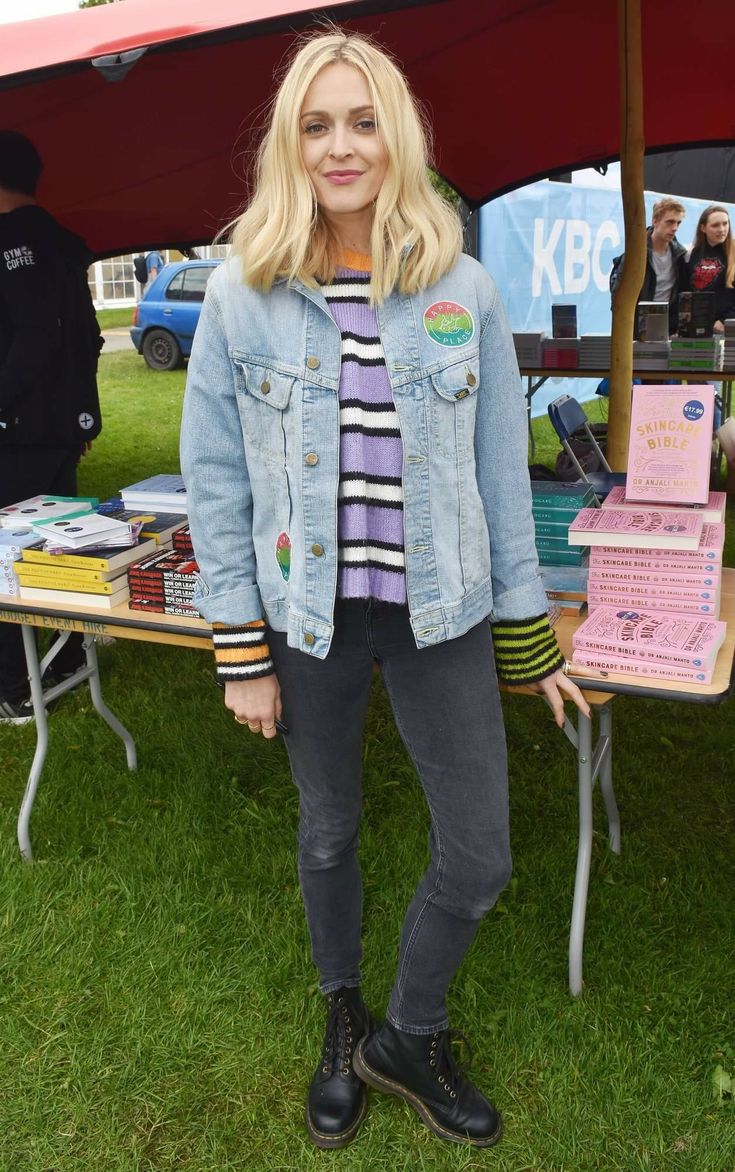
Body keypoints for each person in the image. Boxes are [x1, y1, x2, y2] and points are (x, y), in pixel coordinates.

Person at [180, 30, 589, 1151]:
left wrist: (530, 634)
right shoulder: (242, 293)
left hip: (440, 609)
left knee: (482, 851)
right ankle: (342, 1010)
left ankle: (408, 1031)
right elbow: (215, 483)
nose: (341, 145)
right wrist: (240, 650)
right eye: (317, 123)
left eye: (363, 121)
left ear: (397, 135)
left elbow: (499, 474)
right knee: (329, 831)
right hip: (305, 614)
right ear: (289, 143)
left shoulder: (461, 288)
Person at [0, 131, 103, 725]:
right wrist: (80, 413)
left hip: (19, 429)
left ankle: (14, 684)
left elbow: (36, 336)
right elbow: (84, 336)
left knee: (12, 555)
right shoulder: (64, 242)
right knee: (57, 544)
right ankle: (64, 661)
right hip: (58, 423)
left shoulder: (12, 240)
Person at [609, 197, 686, 335]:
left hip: (669, 329)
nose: (675, 228)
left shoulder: (680, 255)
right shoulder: (634, 253)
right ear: (655, 221)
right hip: (637, 328)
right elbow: (618, 294)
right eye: (670, 222)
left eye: (678, 223)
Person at [678, 203, 735, 333]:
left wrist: (726, 319)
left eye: (725, 223)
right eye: (715, 225)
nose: (722, 229)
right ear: (703, 228)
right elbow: (683, 292)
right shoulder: (689, 256)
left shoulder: (734, 253)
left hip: (727, 327)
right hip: (695, 326)